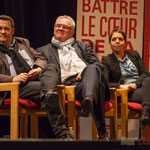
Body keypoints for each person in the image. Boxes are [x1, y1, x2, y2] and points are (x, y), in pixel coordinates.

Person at [36, 15, 110, 140]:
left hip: (86, 82)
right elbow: (46, 73)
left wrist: (85, 71)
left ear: (72, 32)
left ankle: (89, 99)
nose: (60, 28)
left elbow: (98, 65)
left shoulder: (83, 46)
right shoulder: (43, 50)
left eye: (65, 27)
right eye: (58, 25)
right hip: (67, 86)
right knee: (97, 86)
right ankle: (102, 132)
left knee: (92, 68)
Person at [0, 15, 72, 139]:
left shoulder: (22, 43)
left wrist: (38, 68)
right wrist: (12, 79)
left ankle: (49, 93)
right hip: (13, 86)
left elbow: (40, 57)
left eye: (6, 28)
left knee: (50, 67)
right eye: (0, 28)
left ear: (12, 30)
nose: (2, 31)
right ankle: (62, 133)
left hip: (32, 80)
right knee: (52, 89)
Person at [102, 28, 150, 127]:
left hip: (139, 87)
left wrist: (135, 84)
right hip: (126, 92)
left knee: (148, 80)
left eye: (120, 39)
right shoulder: (107, 60)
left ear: (125, 43)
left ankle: (145, 114)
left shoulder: (134, 54)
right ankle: (145, 115)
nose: (117, 42)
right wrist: (120, 86)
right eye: (114, 39)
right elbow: (104, 82)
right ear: (110, 43)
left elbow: (145, 73)